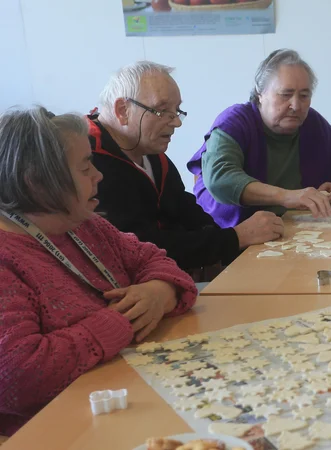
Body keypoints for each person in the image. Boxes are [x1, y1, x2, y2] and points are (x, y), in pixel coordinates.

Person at [0, 107, 198, 435]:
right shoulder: (7, 258)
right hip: (60, 431)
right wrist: (120, 320)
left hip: (126, 393)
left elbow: (157, 262)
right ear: (36, 182)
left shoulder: (84, 224)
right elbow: (16, 377)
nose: (99, 176)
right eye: (85, 167)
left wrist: (158, 293)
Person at [89, 61, 283, 273]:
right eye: (163, 111)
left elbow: (184, 210)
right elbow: (136, 246)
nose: (177, 123)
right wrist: (234, 238)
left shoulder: (149, 152)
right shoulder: (89, 161)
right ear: (123, 110)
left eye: (177, 111)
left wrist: (229, 241)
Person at [188, 49, 331, 227]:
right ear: (260, 94)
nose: (296, 105)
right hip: (233, 236)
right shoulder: (235, 122)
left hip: (300, 233)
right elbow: (220, 179)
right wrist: (287, 197)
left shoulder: (313, 124)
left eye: (304, 96)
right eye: (285, 95)